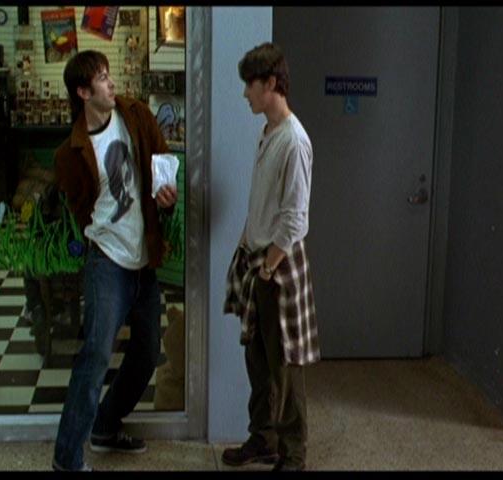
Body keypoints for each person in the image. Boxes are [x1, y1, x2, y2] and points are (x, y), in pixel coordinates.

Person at [51, 49, 177, 472]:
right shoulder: (70, 153)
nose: (111, 83)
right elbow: (79, 208)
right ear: (83, 92)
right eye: (102, 78)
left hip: (144, 260)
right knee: (95, 356)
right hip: (107, 262)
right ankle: (67, 460)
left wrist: (168, 196)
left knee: (147, 353)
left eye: (108, 74)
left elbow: (161, 160)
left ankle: (105, 425)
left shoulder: (135, 116)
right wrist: (101, 235)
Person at [222, 42, 321, 472]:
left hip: (277, 264)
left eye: (251, 84)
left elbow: (294, 218)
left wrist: (267, 266)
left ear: (272, 84)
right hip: (259, 258)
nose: (245, 93)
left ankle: (293, 456)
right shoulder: (268, 133)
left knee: (286, 365)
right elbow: (266, 203)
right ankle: (263, 440)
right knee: (258, 360)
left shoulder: (294, 141)